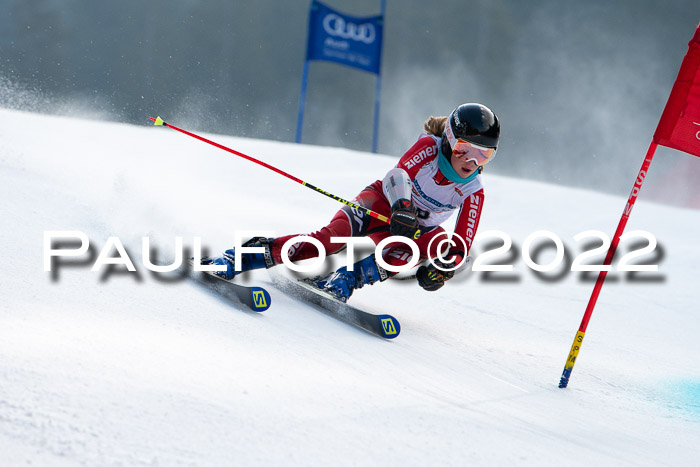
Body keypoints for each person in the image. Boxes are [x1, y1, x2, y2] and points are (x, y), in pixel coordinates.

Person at [202, 103, 500, 302]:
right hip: (381, 205)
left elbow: (461, 244)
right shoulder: (429, 148)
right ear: (449, 139)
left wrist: (443, 269)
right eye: (464, 150)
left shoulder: (473, 190)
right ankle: (241, 257)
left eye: (484, 155)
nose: (471, 162)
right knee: (328, 241)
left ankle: (346, 279)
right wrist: (402, 207)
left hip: (411, 231)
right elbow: (398, 174)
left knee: (430, 244)